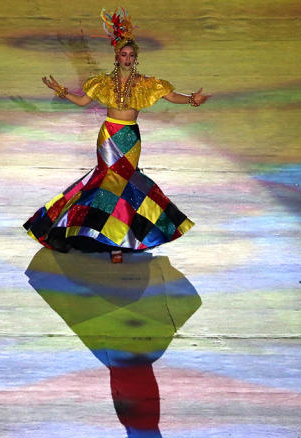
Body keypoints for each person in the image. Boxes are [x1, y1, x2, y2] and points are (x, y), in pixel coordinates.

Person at [24, 7, 208, 258]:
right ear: (117, 56)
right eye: (124, 54)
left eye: (132, 54)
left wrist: (191, 99)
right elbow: (82, 101)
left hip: (130, 138)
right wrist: (62, 91)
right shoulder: (102, 82)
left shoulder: (147, 83)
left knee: (127, 183)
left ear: (136, 58)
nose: (128, 58)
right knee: (108, 182)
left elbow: (171, 95)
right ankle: (110, 242)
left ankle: (121, 237)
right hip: (109, 136)